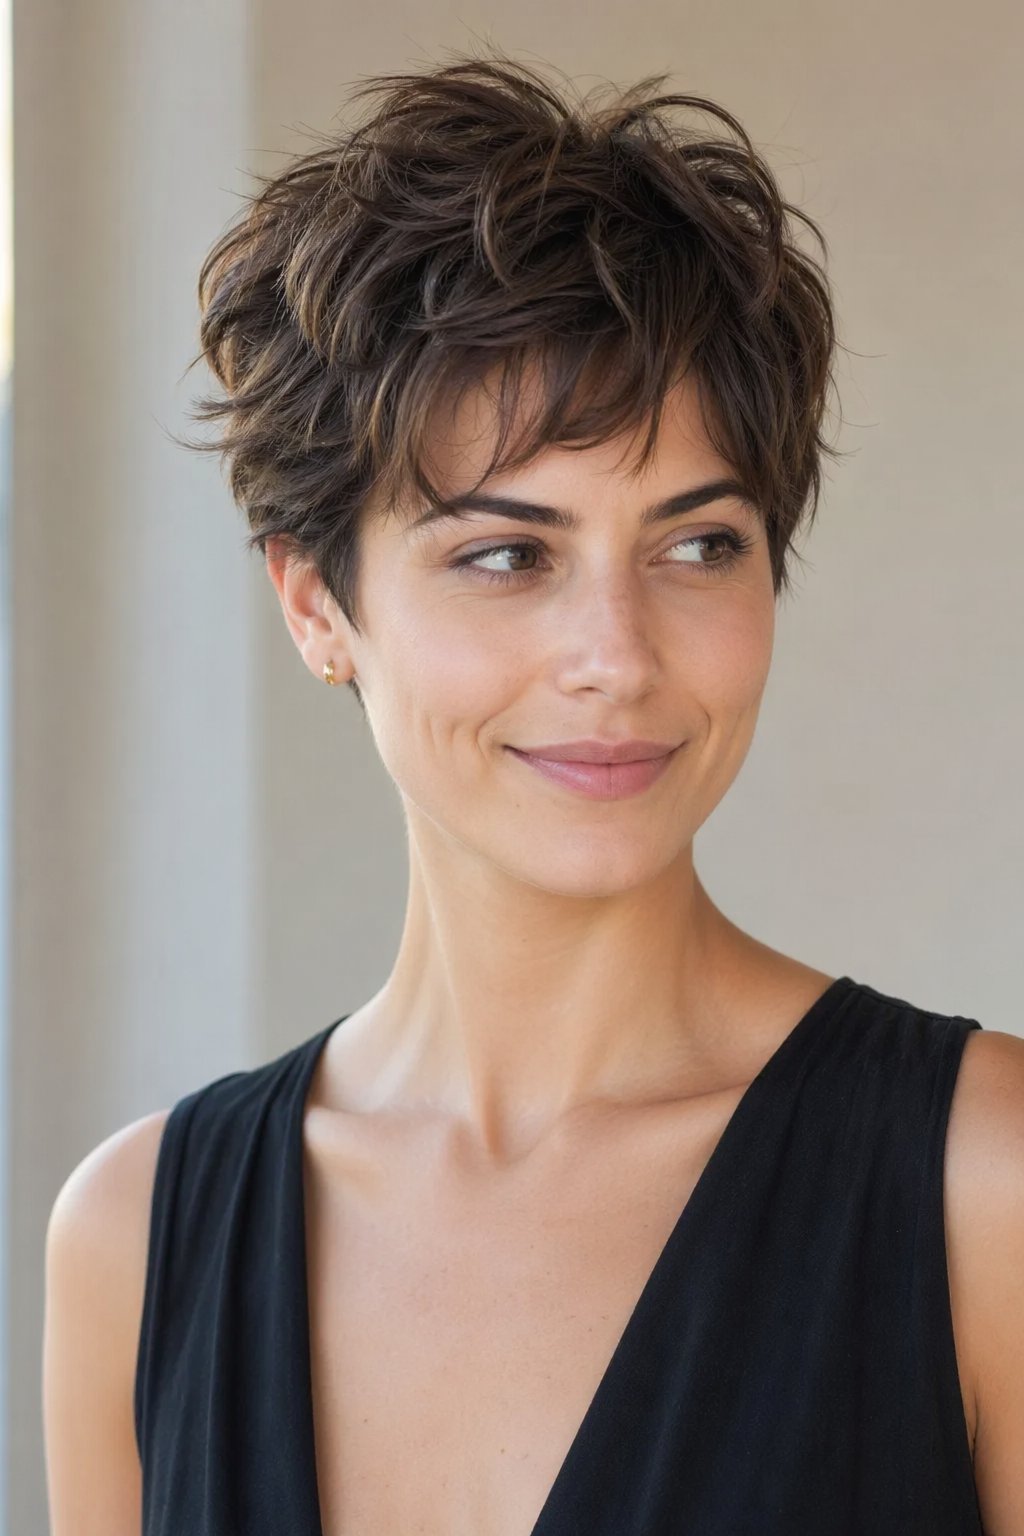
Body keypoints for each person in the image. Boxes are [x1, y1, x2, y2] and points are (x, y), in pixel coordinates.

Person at [43, 47, 1024, 1536]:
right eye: (507, 554)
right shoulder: (135, 1241)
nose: (616, 658)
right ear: (317, 604)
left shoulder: (986, 1190)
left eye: (700, 545)